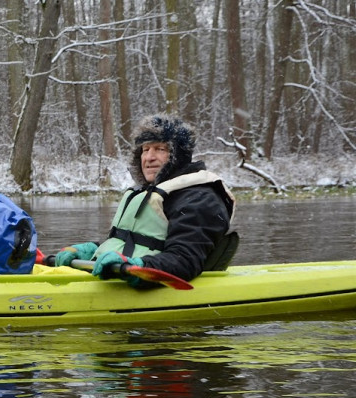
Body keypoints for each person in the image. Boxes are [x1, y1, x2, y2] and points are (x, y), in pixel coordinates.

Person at [54, 114, 237, 287]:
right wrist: (93, 250)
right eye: (145, 149)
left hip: (152, 283)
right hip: (119, 278)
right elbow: (135, 244)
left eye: (160, 149)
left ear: (178, 156)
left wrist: (137, 266)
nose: (149, 157)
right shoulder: (146, 193)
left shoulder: (200, 198)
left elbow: (184, 260)